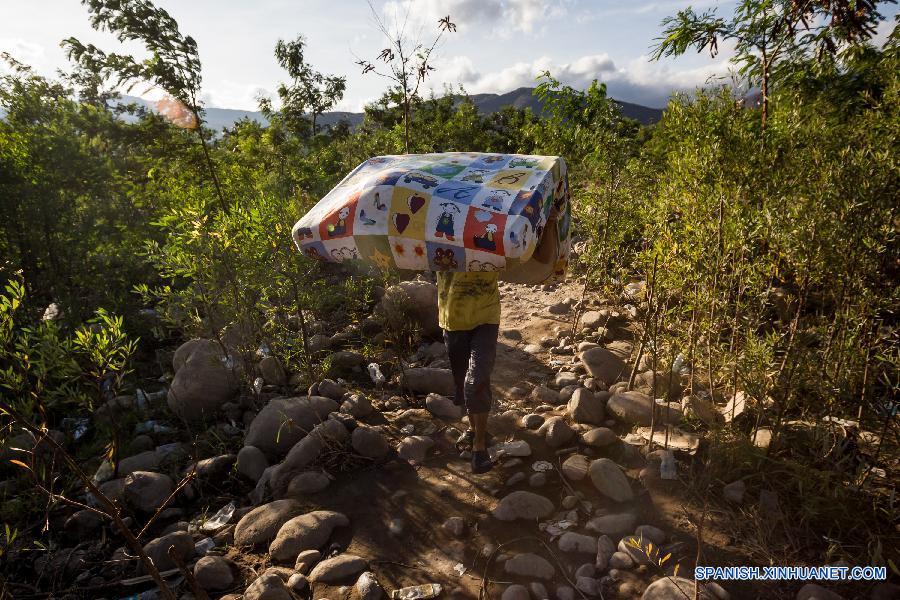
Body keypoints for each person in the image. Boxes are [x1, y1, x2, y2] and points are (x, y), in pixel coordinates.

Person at [437, 270, 500, 474]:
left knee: (476, 380)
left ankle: (479, 446)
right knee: (463, 383)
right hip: (453, 317)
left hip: (486, 317)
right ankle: (475, 430)